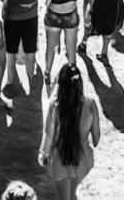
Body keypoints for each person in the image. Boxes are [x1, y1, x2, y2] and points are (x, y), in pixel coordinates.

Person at [39, 63, 99, 200]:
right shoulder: (90, 103)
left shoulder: (54, 104)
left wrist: (42, 154)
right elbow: (96, 140)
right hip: (83, 161)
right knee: (71, 194)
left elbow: (47, 135)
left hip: (59, 162)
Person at [42, 0, 83, 75]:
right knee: (71, 46)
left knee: (51, 47)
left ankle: (48, 71)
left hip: (54, 16)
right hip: (71, 15)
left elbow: (47, 1)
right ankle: (71, 71)